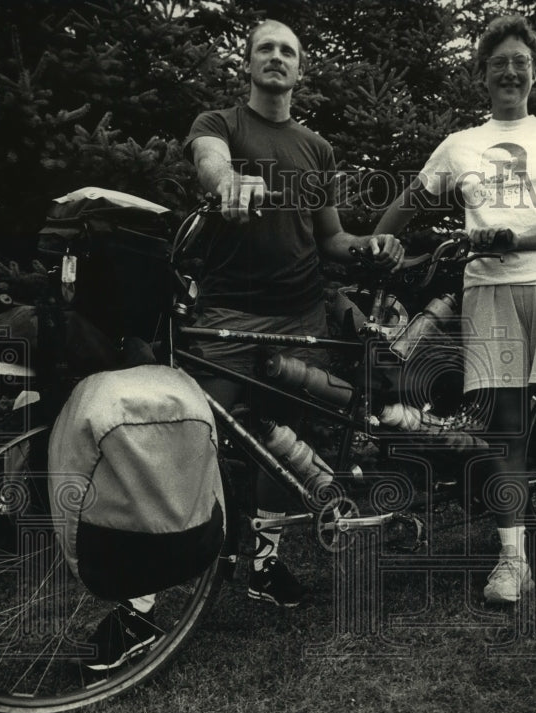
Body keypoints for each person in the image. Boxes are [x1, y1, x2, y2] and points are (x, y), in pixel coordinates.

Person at [82, 18, 405, 670]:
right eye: (267, 48)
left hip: (301, 317)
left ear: (299, 68)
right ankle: (139, 608)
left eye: (289, 51)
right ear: (248, 63)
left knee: (278, 445)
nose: (278, 58)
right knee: (185, 443)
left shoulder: (317, 148)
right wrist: (226, 182)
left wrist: (369, 246)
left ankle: (264, 565)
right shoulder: (220, 123)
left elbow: (332, 240)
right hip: (226, 318)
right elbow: (209, 163)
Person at [374, 15, 536, 603]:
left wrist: (518, 240)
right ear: (482, 74)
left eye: (521, 62)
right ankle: (513, 561)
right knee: (505, 431)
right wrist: (377, 247)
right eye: (499, 62)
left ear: (535, 71)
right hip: (490, 292)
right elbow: (409, 199)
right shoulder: (461, 145)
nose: (510, 71)